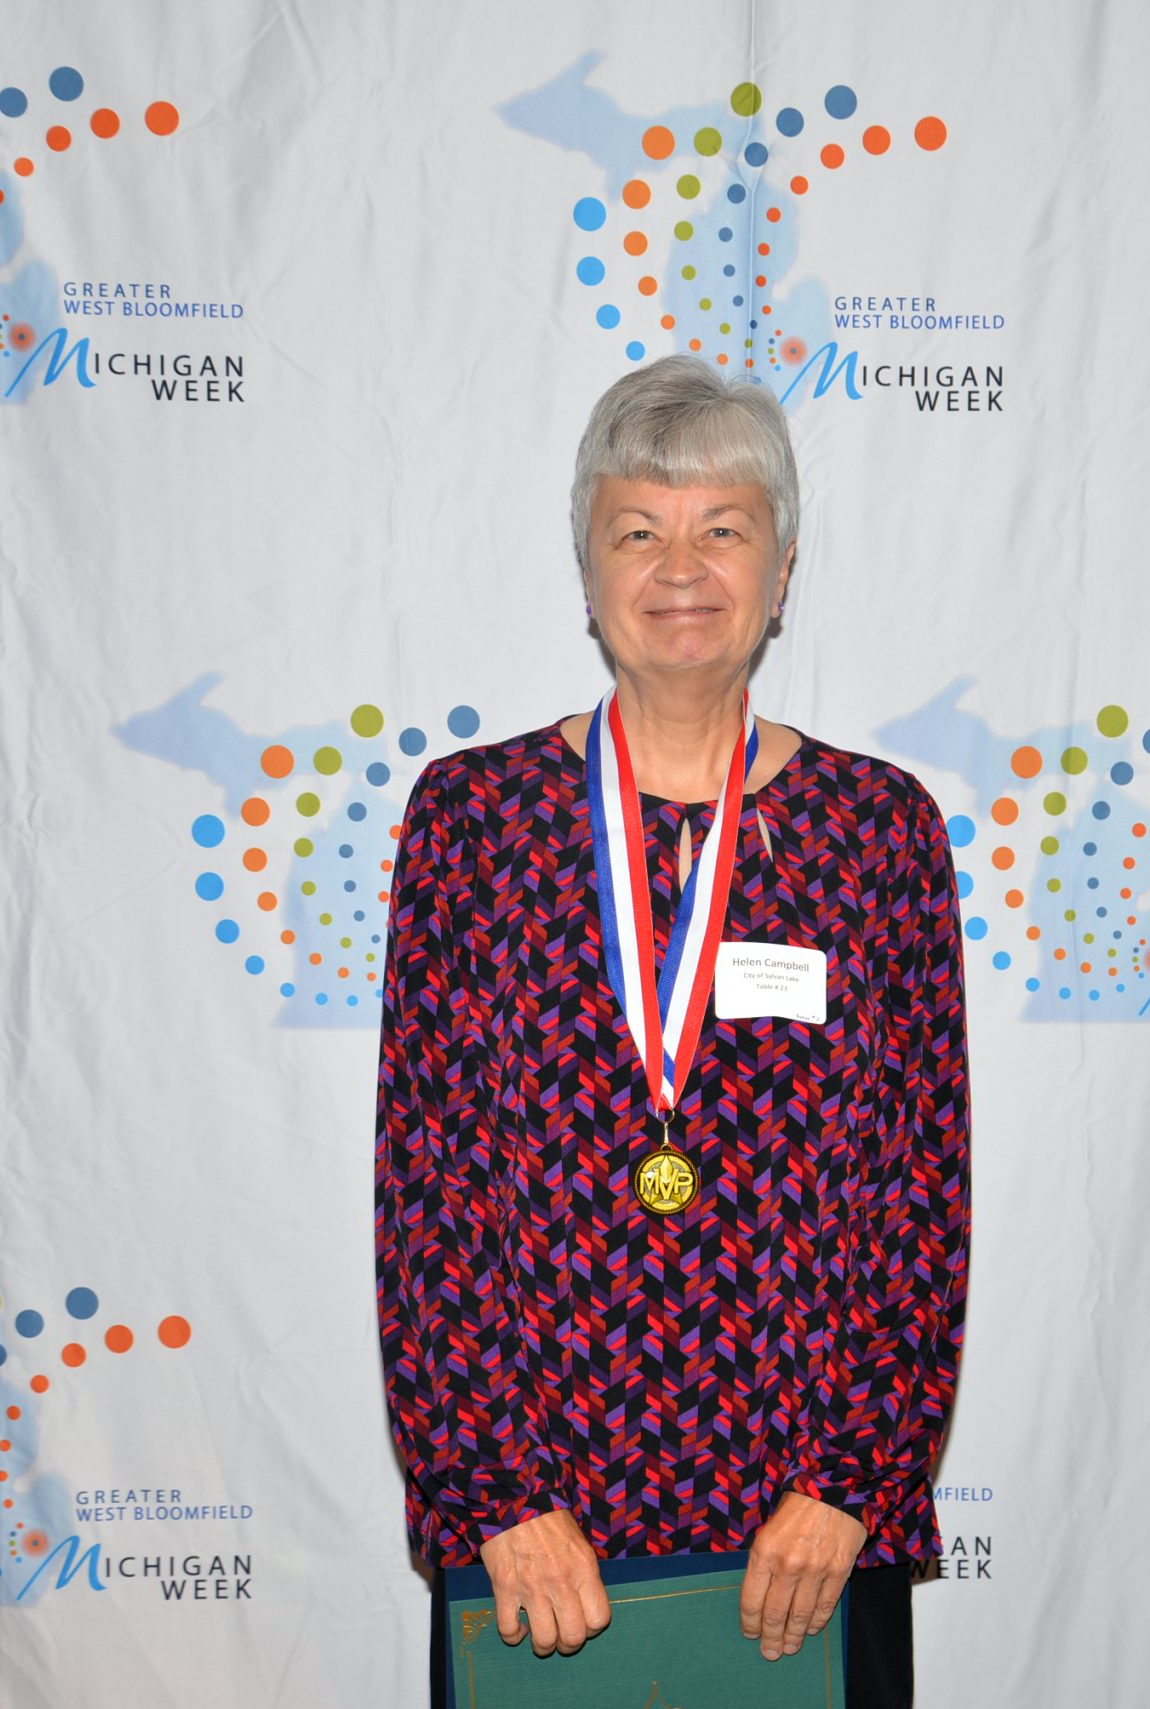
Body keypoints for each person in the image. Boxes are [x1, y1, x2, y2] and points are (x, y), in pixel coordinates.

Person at [375, 353, 972, 1709]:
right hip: (542, 1526)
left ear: (782, 567)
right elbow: (428, 1189)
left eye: (724, 529)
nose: (681, 568)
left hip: (806, 1526)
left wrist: (851, 1485)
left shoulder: (879, 830)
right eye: (639, 530)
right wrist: (494, 1494)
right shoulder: (473, 821)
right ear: (587, 568)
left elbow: (921, 1189)